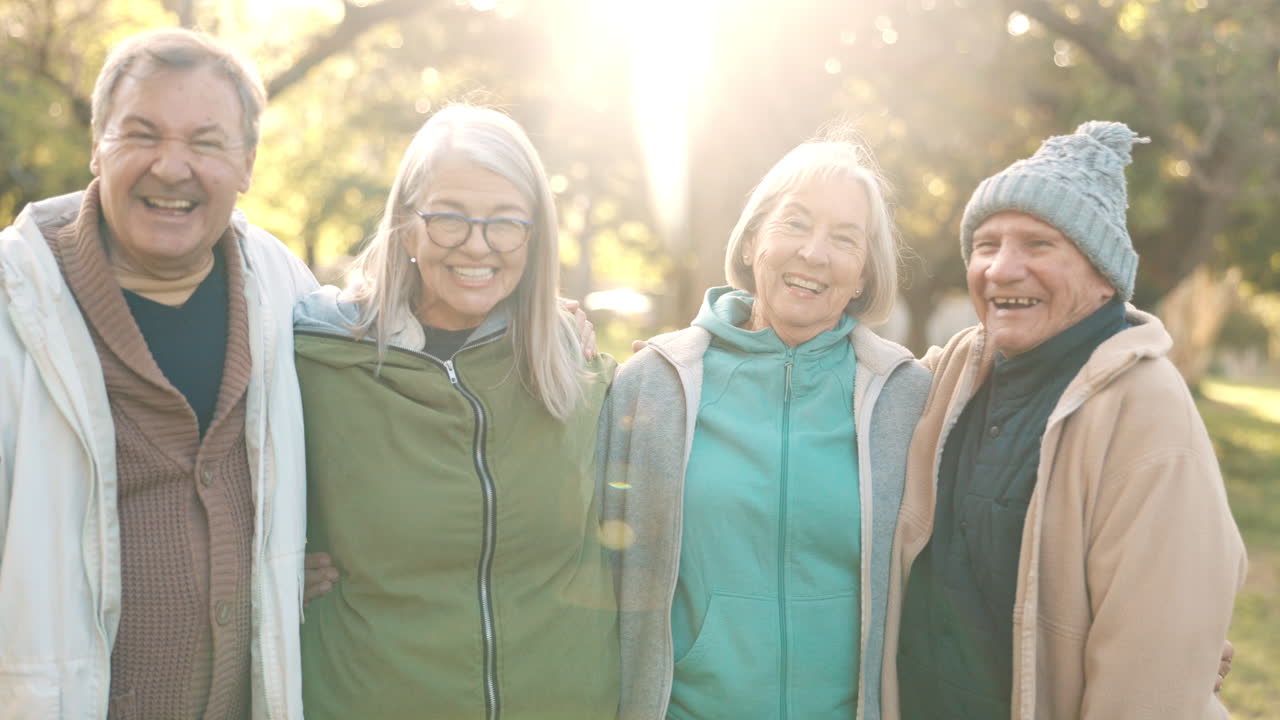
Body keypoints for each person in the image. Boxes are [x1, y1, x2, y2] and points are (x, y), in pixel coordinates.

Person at [883, 121, 1247, 719]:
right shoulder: (954, 372)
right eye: (986, 244)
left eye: (1038, 244)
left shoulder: (1146, 408)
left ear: (1103, 278)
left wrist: (1194, 653)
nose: (1002, 269)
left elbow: (1151, 672)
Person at [0, 29, 315, 718]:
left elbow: (393, 347)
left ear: (248, 164)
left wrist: (525, 315)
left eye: (206, 142)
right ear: (96, 146)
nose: (172, 168)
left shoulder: (285, 290)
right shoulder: (14, 303)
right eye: (142, 133)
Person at [294, 104, 619, 719]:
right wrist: (270, 571)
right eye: (449, 219)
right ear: (407, 226)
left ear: (533, 235)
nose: (477, 245)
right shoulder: (315, 363)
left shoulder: (580, 372)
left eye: (505, 223)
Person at [599, 135, 932, 719]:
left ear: (862, 276)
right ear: (753, 241)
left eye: (844, 239)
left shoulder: (904, 396)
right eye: (795, 224)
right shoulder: (655, 383)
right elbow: (598, 571)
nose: (814, 253)